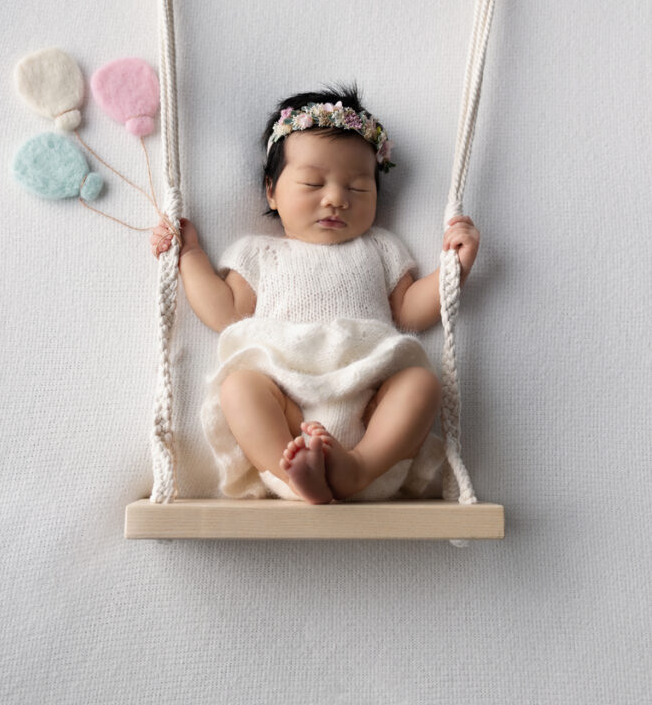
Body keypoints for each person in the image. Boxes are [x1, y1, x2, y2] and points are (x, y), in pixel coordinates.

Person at [151, 83, 479, 505]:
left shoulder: (380, 247)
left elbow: (411, 310)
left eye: (358, 187)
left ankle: (357, 466)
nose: (336, 199)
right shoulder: (259, 253)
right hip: (286, 403)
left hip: (368, 402)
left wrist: (454, 268)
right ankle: (295, 477)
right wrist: (189, 255)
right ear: (271, 190)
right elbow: (225, 312)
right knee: (239, 387)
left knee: (421, 384)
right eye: (312, 183)